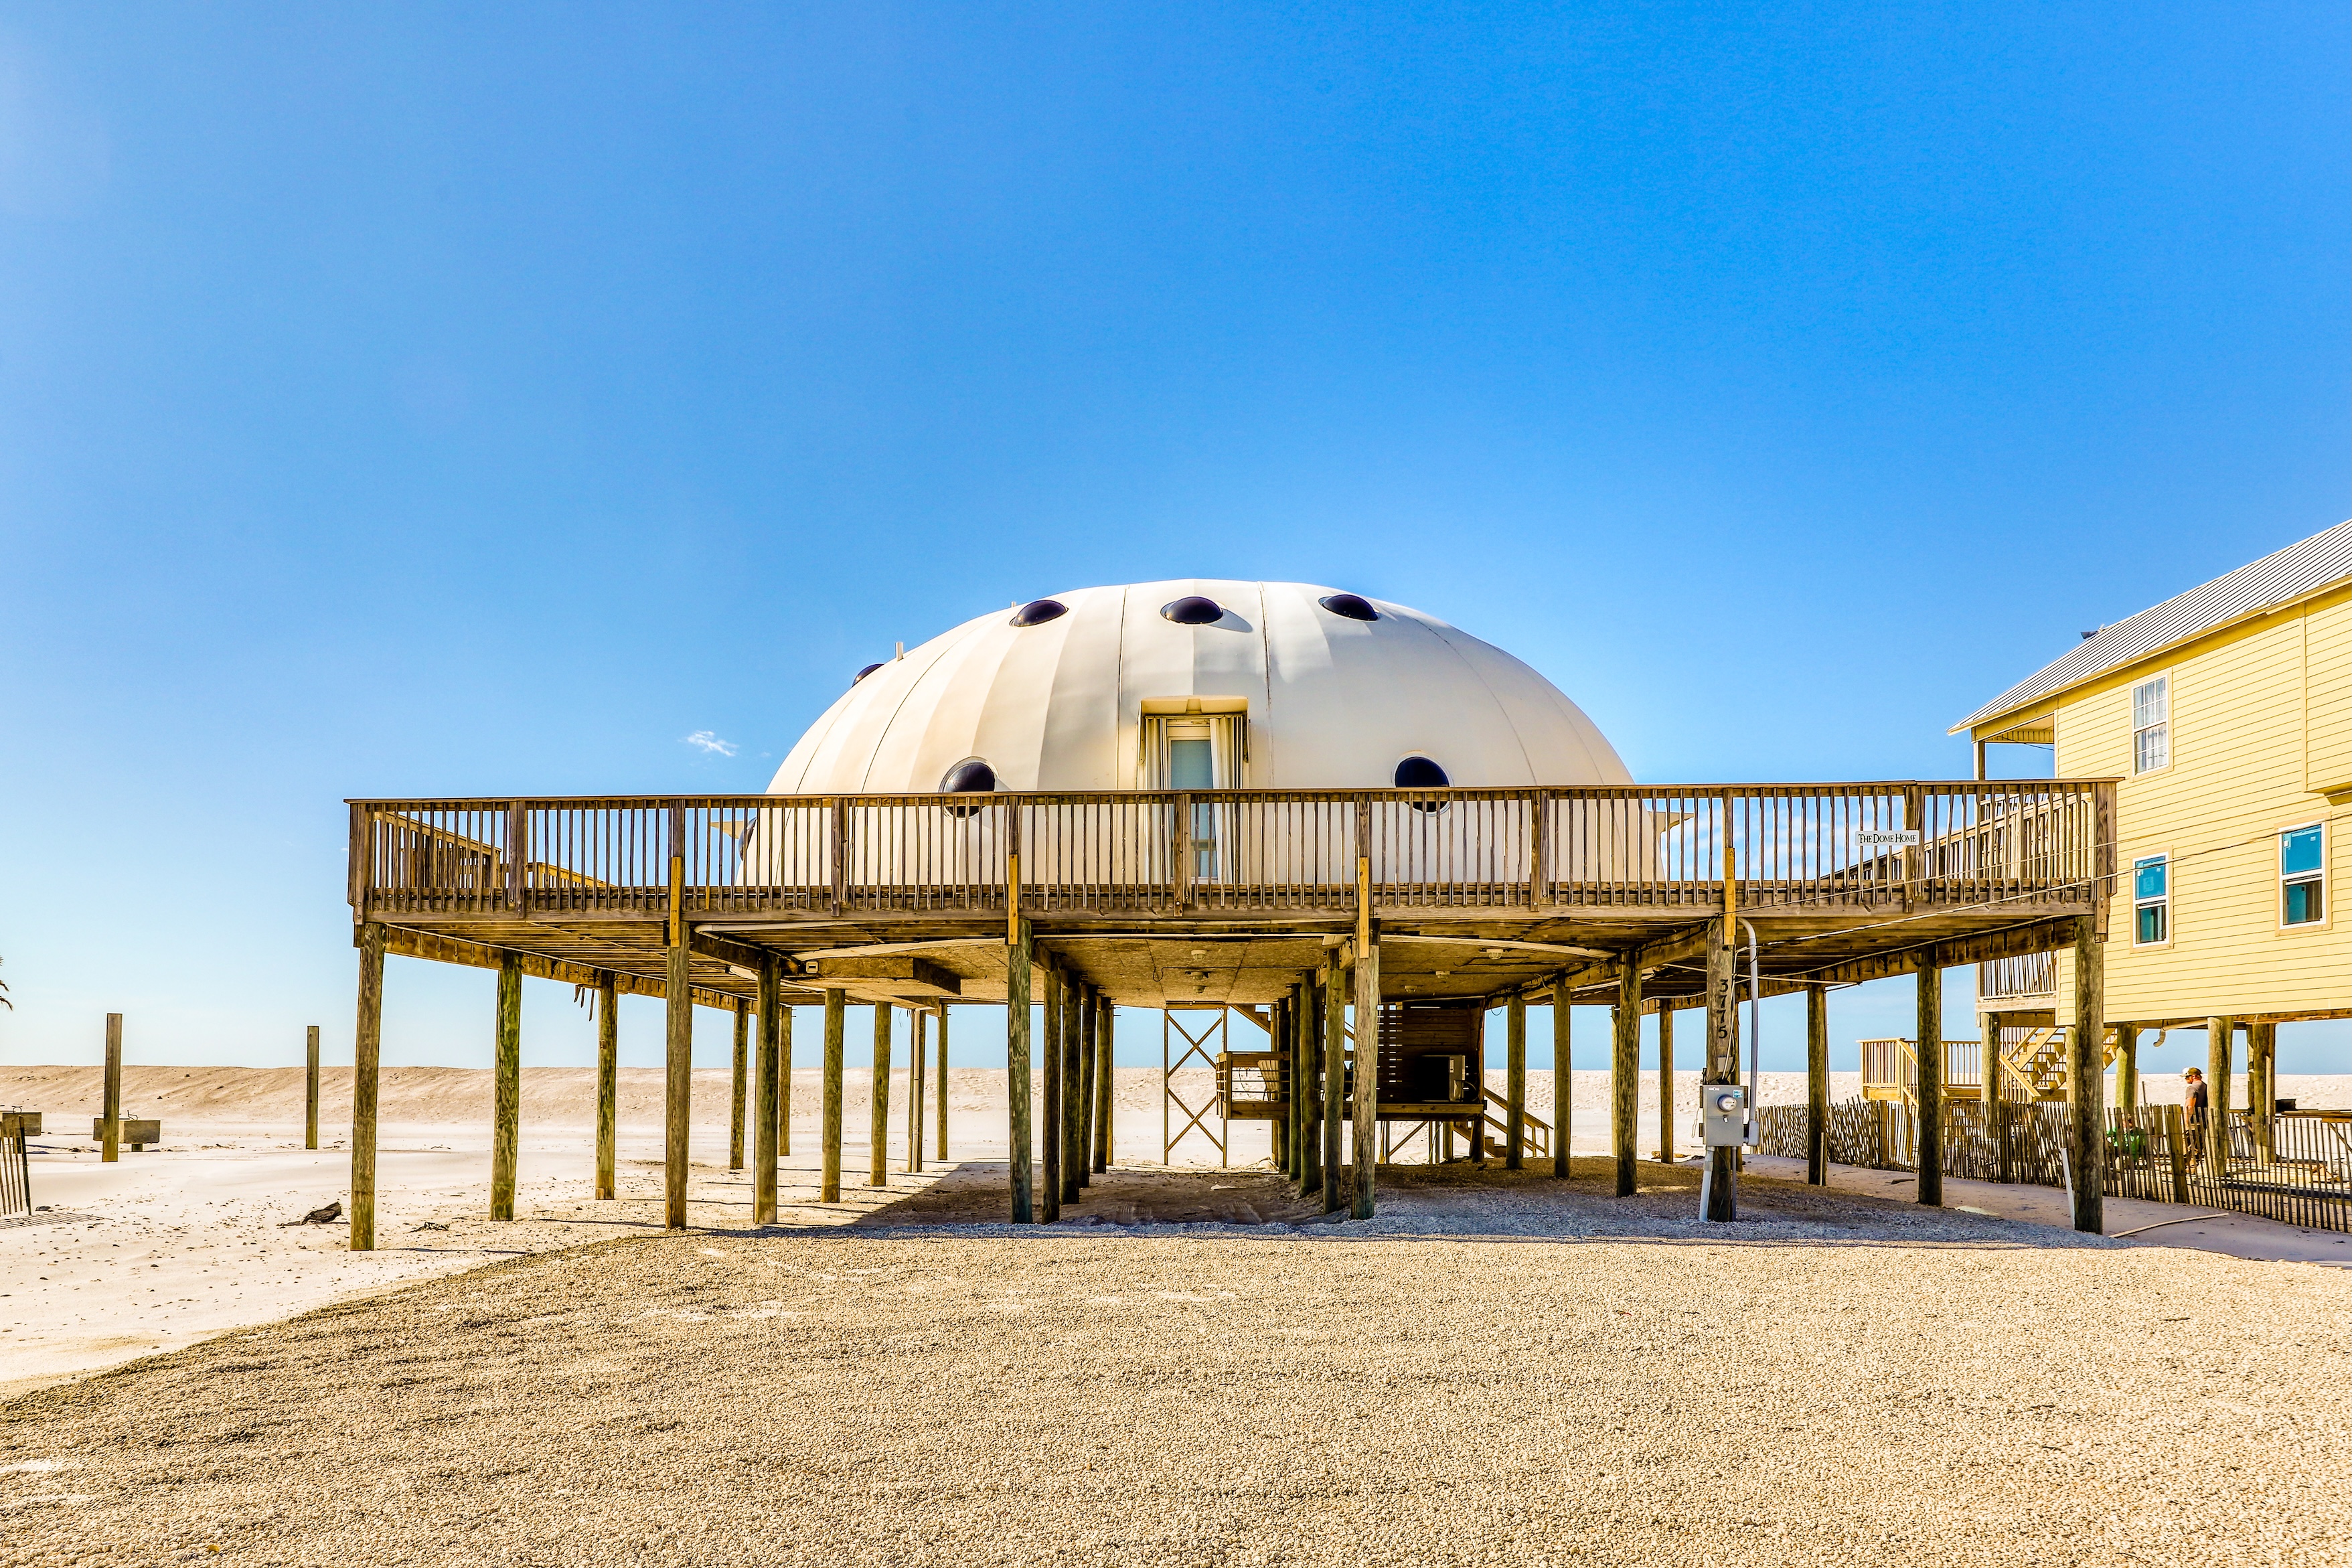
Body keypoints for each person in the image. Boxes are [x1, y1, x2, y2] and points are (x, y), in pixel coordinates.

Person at [2183, 1067, 2210, 1166]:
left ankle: (2186, 1166)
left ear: (2194, 1076)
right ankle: (2193, 1166)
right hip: (2204, 1121)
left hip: (2193, 1121)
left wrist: (2186, 1122)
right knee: (2198, 1147)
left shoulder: (2192, 1088)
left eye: (2187, 1077)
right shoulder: (2206, 1087)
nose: (2186, 1079)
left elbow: (2190, 1106)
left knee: (2188, 1146)